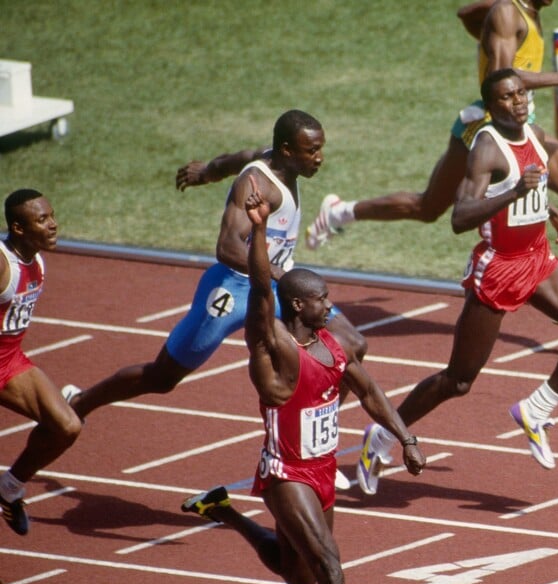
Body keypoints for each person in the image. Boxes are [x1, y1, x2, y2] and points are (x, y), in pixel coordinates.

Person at [181, 175, 425, 584]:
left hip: (320, 472)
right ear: (297, 305)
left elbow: (370, 390)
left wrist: (405, 438)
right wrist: (262, 231)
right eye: (322, 300)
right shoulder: (276, 347)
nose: (331, 307)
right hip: (285, 473)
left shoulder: (334, 346)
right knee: (332, 571)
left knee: (299, 576)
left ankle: (224, 512)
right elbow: (264, 291)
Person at [356, 69, 558, 493]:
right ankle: (383, 436)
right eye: (506, 98)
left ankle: (537, 409)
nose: (517, 102)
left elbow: (535, 184)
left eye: (520, 94)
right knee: (458, 381)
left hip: (537, 259)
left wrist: (551, 213)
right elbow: (460, 217)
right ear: (491, 107)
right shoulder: (486, 148)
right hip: (498, 268)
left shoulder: (533, 132)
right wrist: (514, 194)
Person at [65, 110, 367, 435]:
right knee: (162, 377)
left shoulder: (269, 159)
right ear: (287, 150)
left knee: (351, 343)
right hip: (232, 290)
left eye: (320, 148)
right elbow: (227, 247)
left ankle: (316, 437)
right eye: (312, 151)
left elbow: (234, 159)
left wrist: (206, 172)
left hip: (278, 289)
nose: (320, 158)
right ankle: (79, 402)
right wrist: (280, 274)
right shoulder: (257, 186)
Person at [305, 0, 558, 275]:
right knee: (428, 208)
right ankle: (339, 212)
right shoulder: (509, 12)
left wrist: (483, 20)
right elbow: (498, 79)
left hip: (524, 125)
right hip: (490, 130)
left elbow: (465, 14)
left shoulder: (525, 12)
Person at [0, 190, 82, 535]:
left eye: (51, 216)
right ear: (18, 227)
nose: (53, 225)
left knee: (66, 426)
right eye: (42, 220)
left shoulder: (36, 261)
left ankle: (9, 488)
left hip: (9, 362)